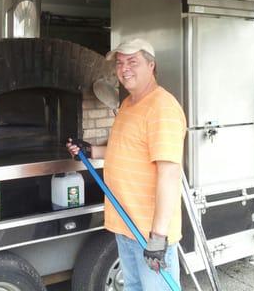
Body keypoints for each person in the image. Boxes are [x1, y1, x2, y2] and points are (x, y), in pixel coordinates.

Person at [67, 38, 186, 290]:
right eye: (120, 63)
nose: (124, 68)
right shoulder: (128, 105)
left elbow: (169, 174)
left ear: (151, 65)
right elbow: (125, 150)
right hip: (126, 224)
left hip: (147, 231)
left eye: (133, 61)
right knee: (132, 287)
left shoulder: (161, 107)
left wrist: (158, 237)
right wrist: (91, 150)